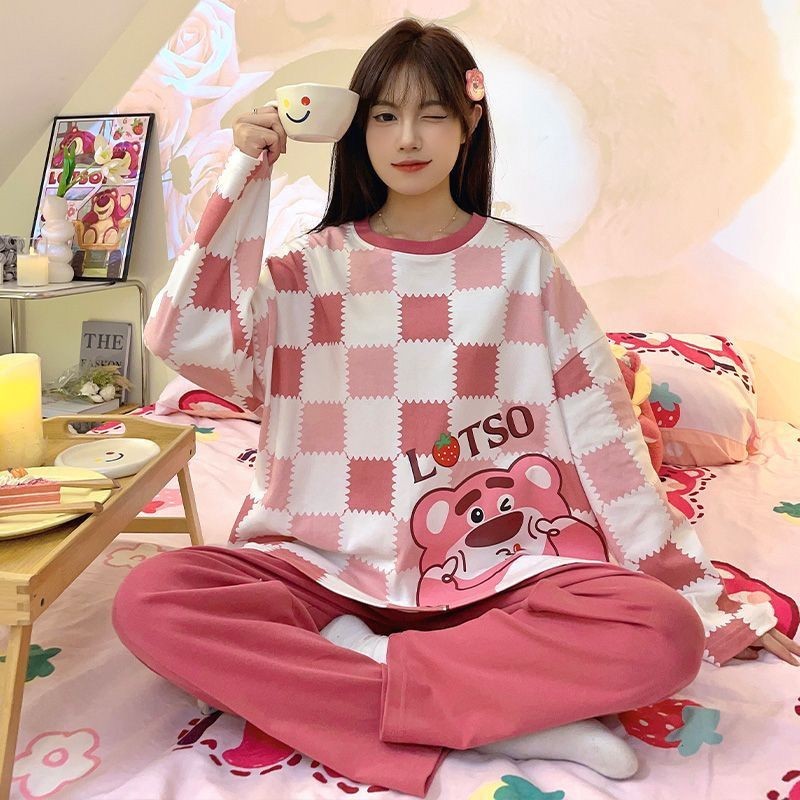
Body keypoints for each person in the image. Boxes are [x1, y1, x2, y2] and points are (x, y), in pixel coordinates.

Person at [112, 18, 800, 799]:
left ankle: (366, 675)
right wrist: (245, 174)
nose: (408, 137)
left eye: (432, 114)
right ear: (358, 128)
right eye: (385, 115)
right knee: (153, 599)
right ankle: (499, 716)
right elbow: (186, 337)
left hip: (499, 576)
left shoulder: (523, 264)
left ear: (469, 122)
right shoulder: (307, 270)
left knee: (662, 633)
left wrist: (701, 600)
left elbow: (606, 439)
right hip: (326, 570)